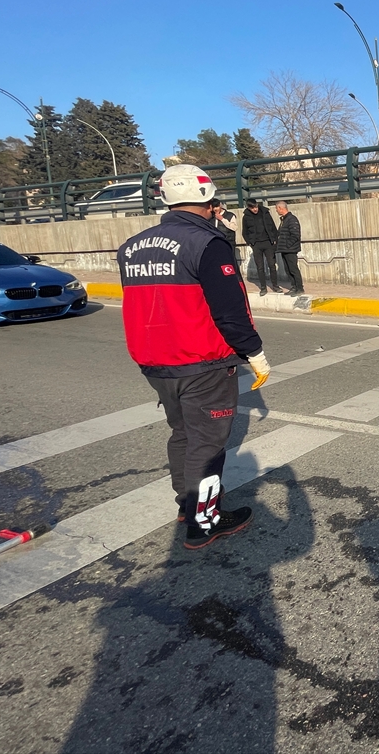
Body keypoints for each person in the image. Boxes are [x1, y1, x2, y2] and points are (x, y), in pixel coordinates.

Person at [117, 164, 273, 549]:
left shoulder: (132, 246)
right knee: (207, 445)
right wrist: (254, 352)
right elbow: (229, 310)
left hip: (156, 362)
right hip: (201, 360)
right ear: (207, 200)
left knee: (183, 435)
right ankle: (205, 521)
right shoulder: (207, 244)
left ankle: (188, 505)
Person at [241, 198, 282, 296]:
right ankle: (263, 288)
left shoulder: (265, 213)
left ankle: (275, 286)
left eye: (255, 207)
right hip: (256, 244)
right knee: (260, 267)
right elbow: (244, 232)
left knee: (272, 265)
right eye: (252, 208)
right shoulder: (246, 217)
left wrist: (275, 240)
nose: (255, 209)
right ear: (248, 207)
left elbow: (273, 227)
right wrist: (250, 243)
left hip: (268, 242)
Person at [275, 200, 304, 296]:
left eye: (276, 208)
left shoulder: (291, 219)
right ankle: (294, 286)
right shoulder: (284, 220)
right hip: (284, 249)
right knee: (287, 269)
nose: (276, 210)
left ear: (280, 208)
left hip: (290, 249)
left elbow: (295, 235)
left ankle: (299, 288)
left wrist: (287, 245)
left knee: (293, 269)